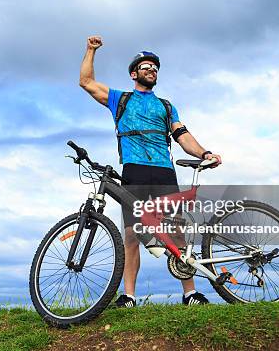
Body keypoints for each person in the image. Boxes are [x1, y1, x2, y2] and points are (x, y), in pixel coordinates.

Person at [79, 35, 222, 307]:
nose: (151, 70)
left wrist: (204, 153)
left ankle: (190, 293)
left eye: (154, 68)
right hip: (134, 171)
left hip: (163, 171)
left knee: (176, 232)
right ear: (134, 73)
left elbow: (182, 135)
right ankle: (129, 296)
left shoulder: (165, 106)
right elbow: (85, 82)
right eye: (146, 67)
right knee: (132, 234)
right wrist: (90, 50)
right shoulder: (120, 99)